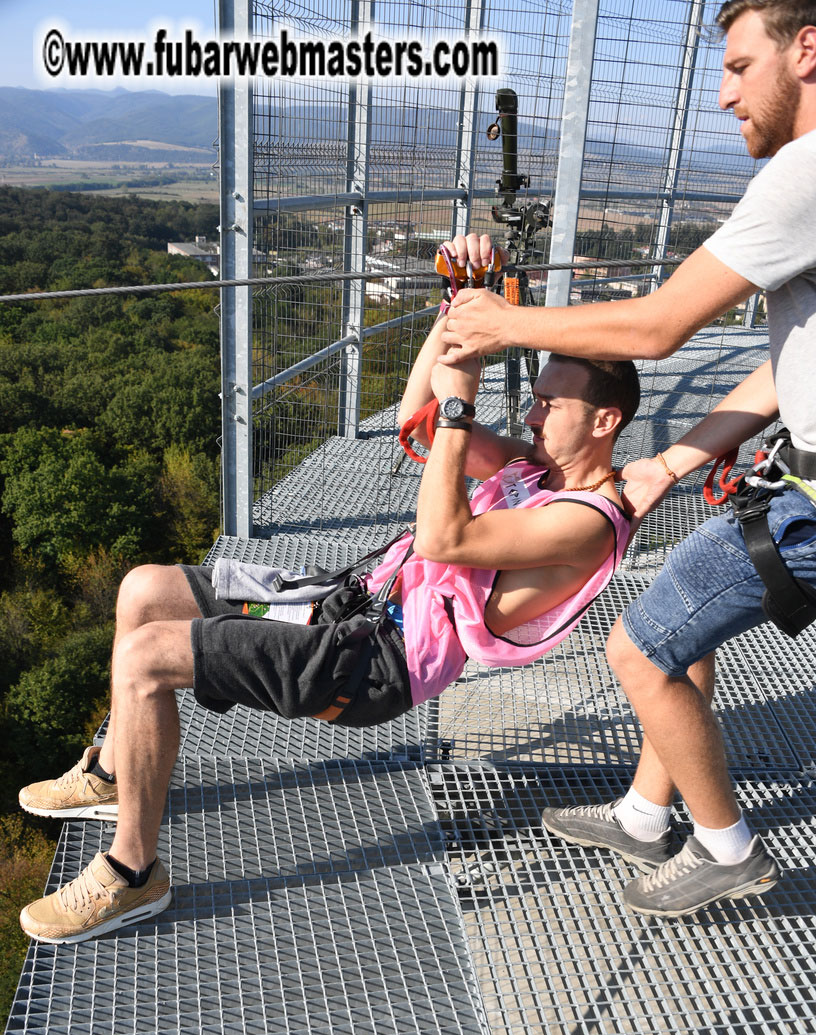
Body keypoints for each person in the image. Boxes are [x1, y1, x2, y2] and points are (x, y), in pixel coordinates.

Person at [18, 233, 638, 945]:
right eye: (534, 401)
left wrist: (461, 410)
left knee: (144, 658)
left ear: (604, 421)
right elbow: (417, 425)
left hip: (375, 662)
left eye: (549, 405)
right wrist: (457, 313)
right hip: (350, 604)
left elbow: (442, 538)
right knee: (143, 591)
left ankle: (133, 873)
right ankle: (112, 774)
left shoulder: (585, 523)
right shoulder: (533, 469)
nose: (530, 416)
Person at [443, 0, 816, 917]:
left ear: (807, 50)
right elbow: (788, 365)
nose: (723, 95)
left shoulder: (806, 171)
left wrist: (504, 323)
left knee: (642, 645)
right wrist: (669, 463)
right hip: (801, 478)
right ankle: (648, 814)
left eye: (739, 67)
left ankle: (727, 848)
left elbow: (655, 328)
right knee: (684, 625)